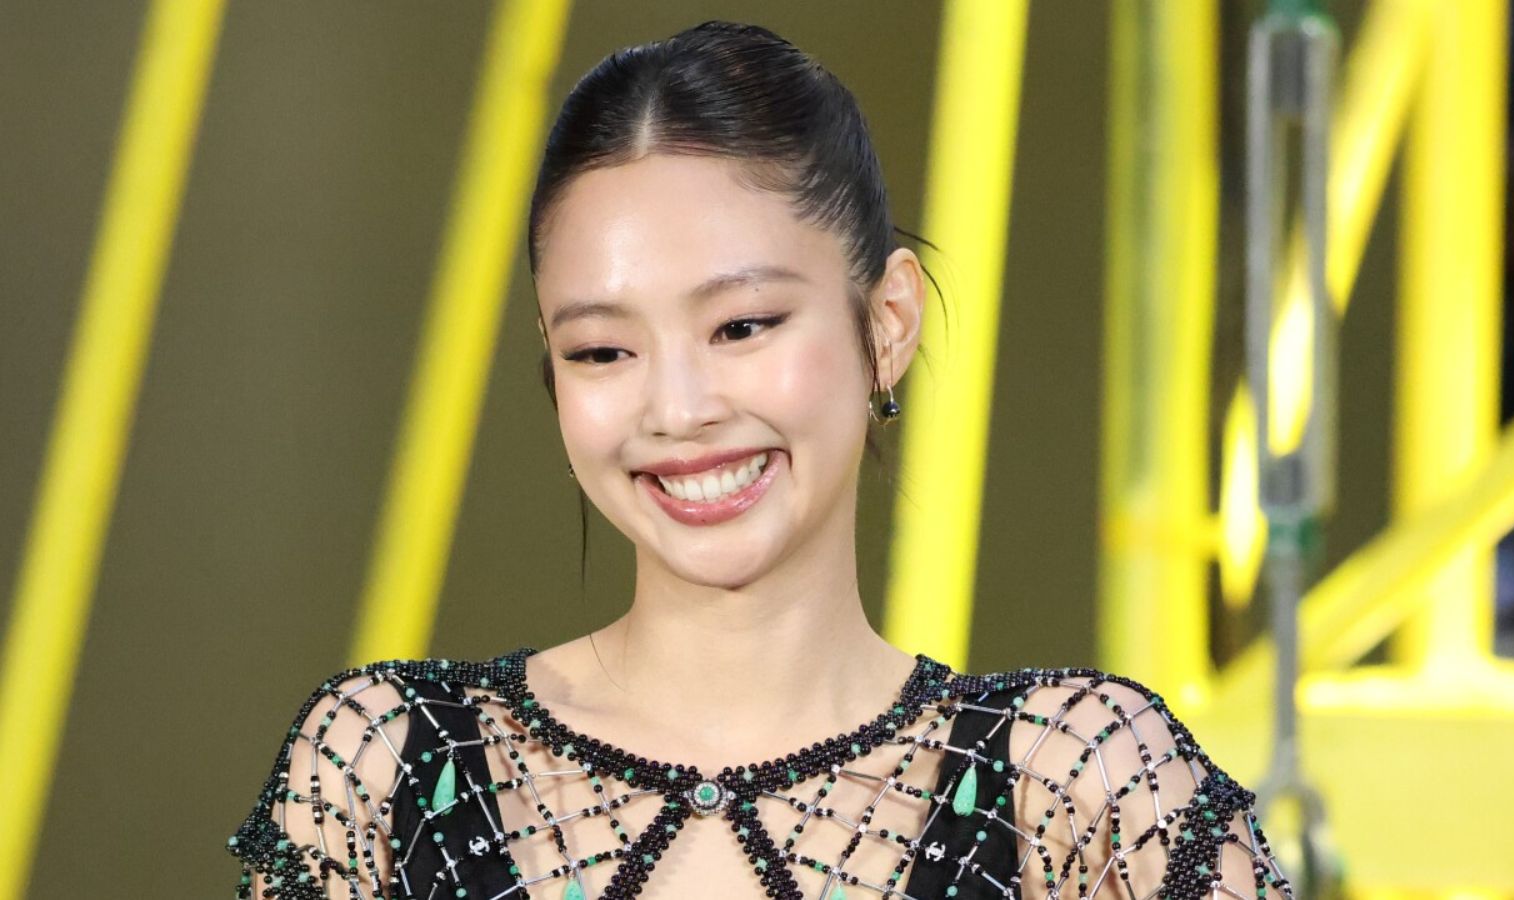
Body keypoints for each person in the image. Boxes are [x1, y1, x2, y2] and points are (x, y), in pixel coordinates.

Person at [226, 20, 1295, 900]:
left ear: (888, 322)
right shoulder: (388, 768)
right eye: (601, 351)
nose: (678, 409)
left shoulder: (1076, 780)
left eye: (742, 326)